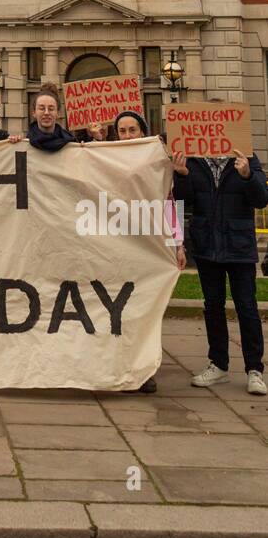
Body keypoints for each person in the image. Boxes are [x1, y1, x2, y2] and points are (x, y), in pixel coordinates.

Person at [171, 142, 268, 397]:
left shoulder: (247, 157)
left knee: (246, 307)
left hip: (239, 247)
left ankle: (254, 370)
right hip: (207, 246)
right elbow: (183, 201)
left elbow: (261, 199)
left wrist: (247, 175)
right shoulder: (193, 161)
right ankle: (218, 365)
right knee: (213, 306)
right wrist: (181, 176)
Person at [112, 109, 187, 395]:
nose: (128, 135)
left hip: (149, 249)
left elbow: (170, 203)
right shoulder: (105, 158)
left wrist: (178, 244)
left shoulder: (158, 162)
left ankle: (145, 371)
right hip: (118, 248)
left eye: (133, 130)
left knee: (147, 313)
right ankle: (121, 365)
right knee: (120, 312)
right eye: (123, 131)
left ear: (142, 132)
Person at [9, 86, 75, 150]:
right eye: (42, 108)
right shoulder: (23, 144)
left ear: (58, 113)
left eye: (51, 109)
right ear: (34, 112)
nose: (46, 113)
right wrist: (13, 145)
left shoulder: (71, 145)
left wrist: (83, 150)